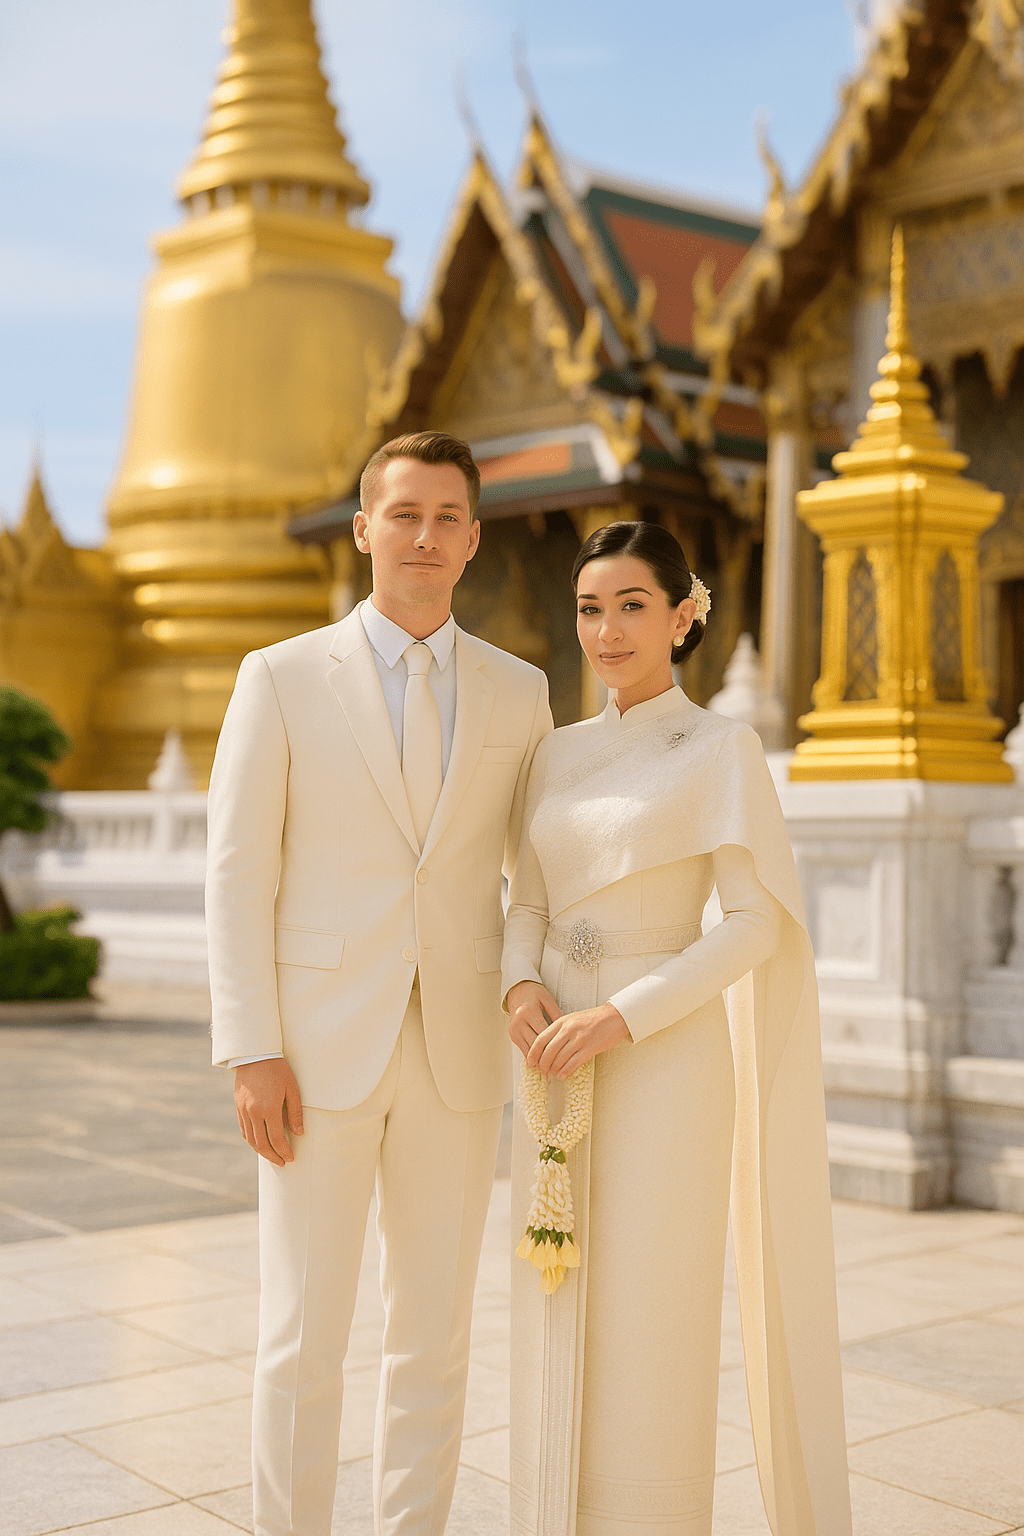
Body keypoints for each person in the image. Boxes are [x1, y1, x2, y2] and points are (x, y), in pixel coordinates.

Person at [206, 430, 552, 1536]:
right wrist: (250, 1046)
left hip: (458, 1055)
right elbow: (236, 874)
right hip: (311, 1054)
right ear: (365, 530)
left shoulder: (521, 690)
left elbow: (534, 874)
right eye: (404, 514)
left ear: (474, 541)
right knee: (303, 1335)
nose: (425, 536)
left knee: (434, 1337)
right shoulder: (281, 677)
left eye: (448, 517)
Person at [502, 520, 852, 1536]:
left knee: (649, 1304)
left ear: (682, 615)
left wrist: (624, 1014)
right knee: (550, 1283)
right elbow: (524, 902)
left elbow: (753, 925)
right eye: (588, 608)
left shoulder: (719, 746)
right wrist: (519, 988)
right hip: (549, 1055)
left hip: (661, 1056)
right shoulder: (554, 754)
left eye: (631, 607)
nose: (606, 630)